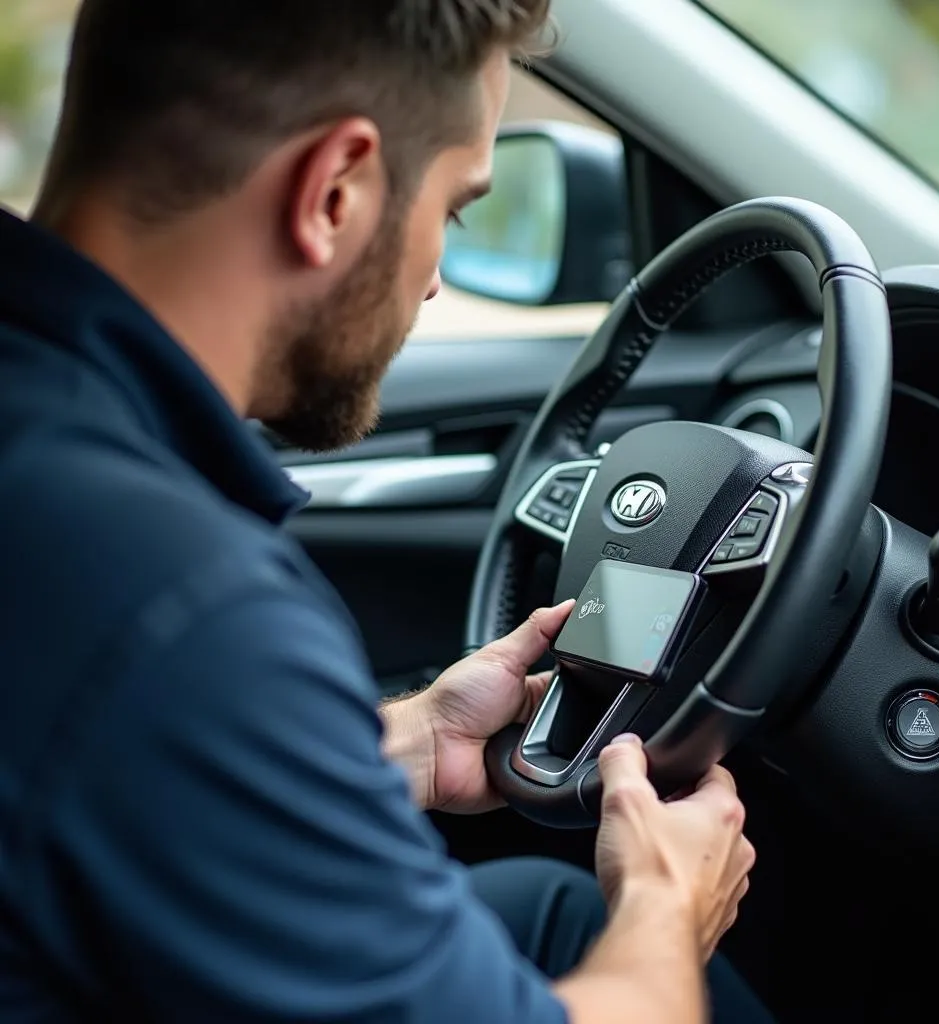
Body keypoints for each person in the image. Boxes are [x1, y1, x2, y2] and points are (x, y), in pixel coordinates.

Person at [0, 2, 767, 1022]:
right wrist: (669, 899)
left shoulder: (53, 454)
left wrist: (400, 744)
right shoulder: (182, 604)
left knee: (548, 913)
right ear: (335, 191)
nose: (437, 280)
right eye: (451, 209)